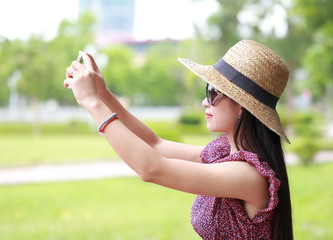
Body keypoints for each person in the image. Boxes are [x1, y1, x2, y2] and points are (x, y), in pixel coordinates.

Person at [64, 39, 293, 240]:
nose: (205, 102)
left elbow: (152, 168)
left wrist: (92, 103)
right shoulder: (225, 153)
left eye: (213, 92)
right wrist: (103, 94)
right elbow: (156, 145)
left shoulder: (248, 175)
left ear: (243, 106)